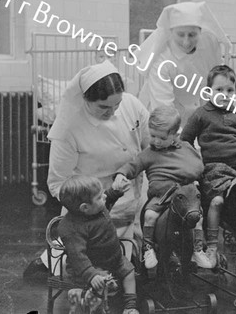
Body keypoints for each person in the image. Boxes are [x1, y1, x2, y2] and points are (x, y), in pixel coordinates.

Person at [23, 61, 150, 279]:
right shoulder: (69, 127)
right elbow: (57, 183)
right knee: (85, 266)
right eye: (103, 107)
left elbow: (148, 148)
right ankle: (50, 262)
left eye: (117, 104)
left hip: (136, 194)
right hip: (93, 206)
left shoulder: (132, 105)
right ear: (85, 98)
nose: (111, 112)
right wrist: (89, 204)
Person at [181, 64, 236, 265]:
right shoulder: (201, 114)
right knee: (217, 202)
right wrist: (195, 161)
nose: (225, 95)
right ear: (208, 91)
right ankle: (211, 246)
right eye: (219, 90)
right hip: (214, 170)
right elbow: (185, 140)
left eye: (230, 90)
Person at [114, 105, 213, 270]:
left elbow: (198, 166)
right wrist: (121, 174)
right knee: (150, 215)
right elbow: (133, 164)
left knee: (198, 218)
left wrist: (186, 177)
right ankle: (148, 247)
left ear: (175, 135)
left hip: (185, 197)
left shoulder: (186, 149)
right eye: (152, 136)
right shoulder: (149, 153)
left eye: (161, 138)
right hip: (161, 197)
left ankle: (197, 249)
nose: (156, 141)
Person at [136, 1, 231, 126]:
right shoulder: (162, 61)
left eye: (192, 35)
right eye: (180, 35)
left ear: (200, 31)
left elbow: (215, 83)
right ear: (171, 32)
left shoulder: (209, 45)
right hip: (161, 116)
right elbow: (164, 110)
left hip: (193, 109)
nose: (186, 42)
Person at [58, 175, 138, 314]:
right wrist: (91, 274)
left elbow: (108, 198)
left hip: (114, 259)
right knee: (100, 284)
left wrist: (116, 191)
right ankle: (87, 301)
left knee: (129, 272)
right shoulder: (71, 228)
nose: (104, 197)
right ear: (85, 208)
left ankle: (130, 307)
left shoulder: (96, 209)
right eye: (100, 197)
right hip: (91, 266)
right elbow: (78, 257)